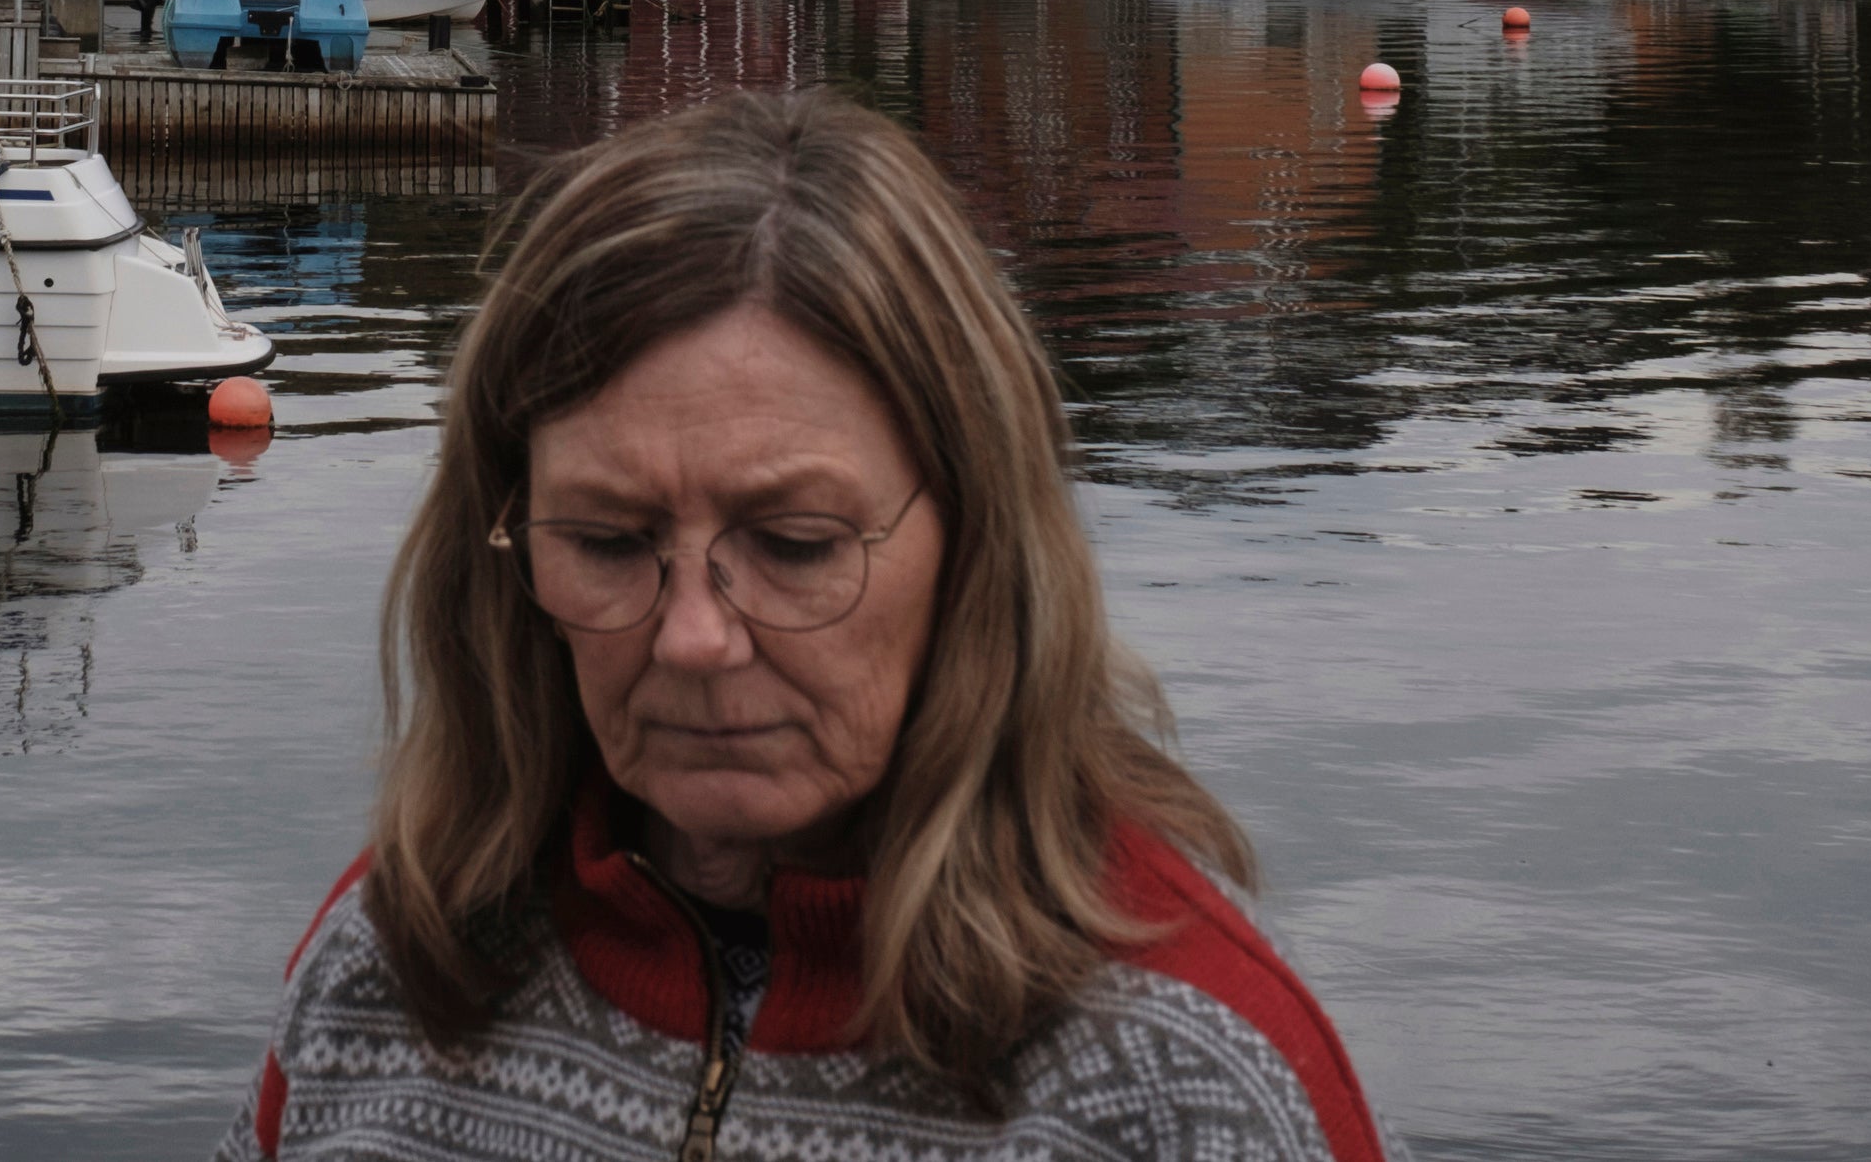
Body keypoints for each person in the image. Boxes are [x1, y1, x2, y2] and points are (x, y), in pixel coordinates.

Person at [222, 87, 1388, 1159]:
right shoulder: (390, 964)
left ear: (976, 544)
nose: (691, 638)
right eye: (607, 542)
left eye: (794, 546)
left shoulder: (1180, 1084)